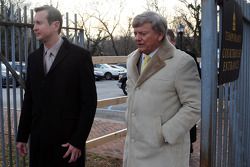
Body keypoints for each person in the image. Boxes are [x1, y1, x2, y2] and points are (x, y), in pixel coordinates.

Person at [16, 5, 97, 167]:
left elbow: (88, 103)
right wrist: (22, 136)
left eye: (39, 23)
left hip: (67, 145)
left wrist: (77, 141)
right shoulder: (33, 58)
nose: (34, 28)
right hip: (39, 143)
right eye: (34, 23)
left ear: (55, 25)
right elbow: (30, 99)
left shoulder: (80, 57)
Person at [123, 11, 201, 167]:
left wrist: (164, 134)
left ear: (160, 35)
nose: (137, 38)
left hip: (164, 153)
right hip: (134, 150)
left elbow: (195, 105)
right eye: (135, 33)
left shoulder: (182, 62)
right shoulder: (132, 58)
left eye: (143, 33)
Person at [167, 29, 201, 153]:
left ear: (173, 41)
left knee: (186, 142)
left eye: (167, 41)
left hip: (183, 107)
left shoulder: (187, 58)